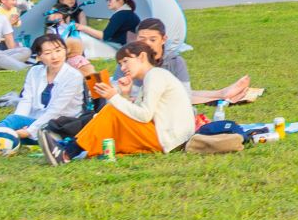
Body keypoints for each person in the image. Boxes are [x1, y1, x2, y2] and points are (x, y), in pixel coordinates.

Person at [39, 40, 194, 163]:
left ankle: (67, 153)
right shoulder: (152, 78)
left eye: (126, 61)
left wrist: (114, 97)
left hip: (168, 139)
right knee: (112, 115)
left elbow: (144, 115)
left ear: (141, 57)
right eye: (120, 64)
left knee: (111, 111)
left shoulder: (155, 75)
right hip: (168, 138)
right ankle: (73, 148)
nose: (123, 67)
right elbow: (135, 117)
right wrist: (124, 95)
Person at [133, 18, 256, 104]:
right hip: (155, 98)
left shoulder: (175, 61)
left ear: (163, 39)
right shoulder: (129, 60)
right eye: (142, 39)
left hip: (172, 98)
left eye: (152, 40)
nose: (147, 44)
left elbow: (185, 95)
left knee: (180, 94)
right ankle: (222, 94)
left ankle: (222, 94)